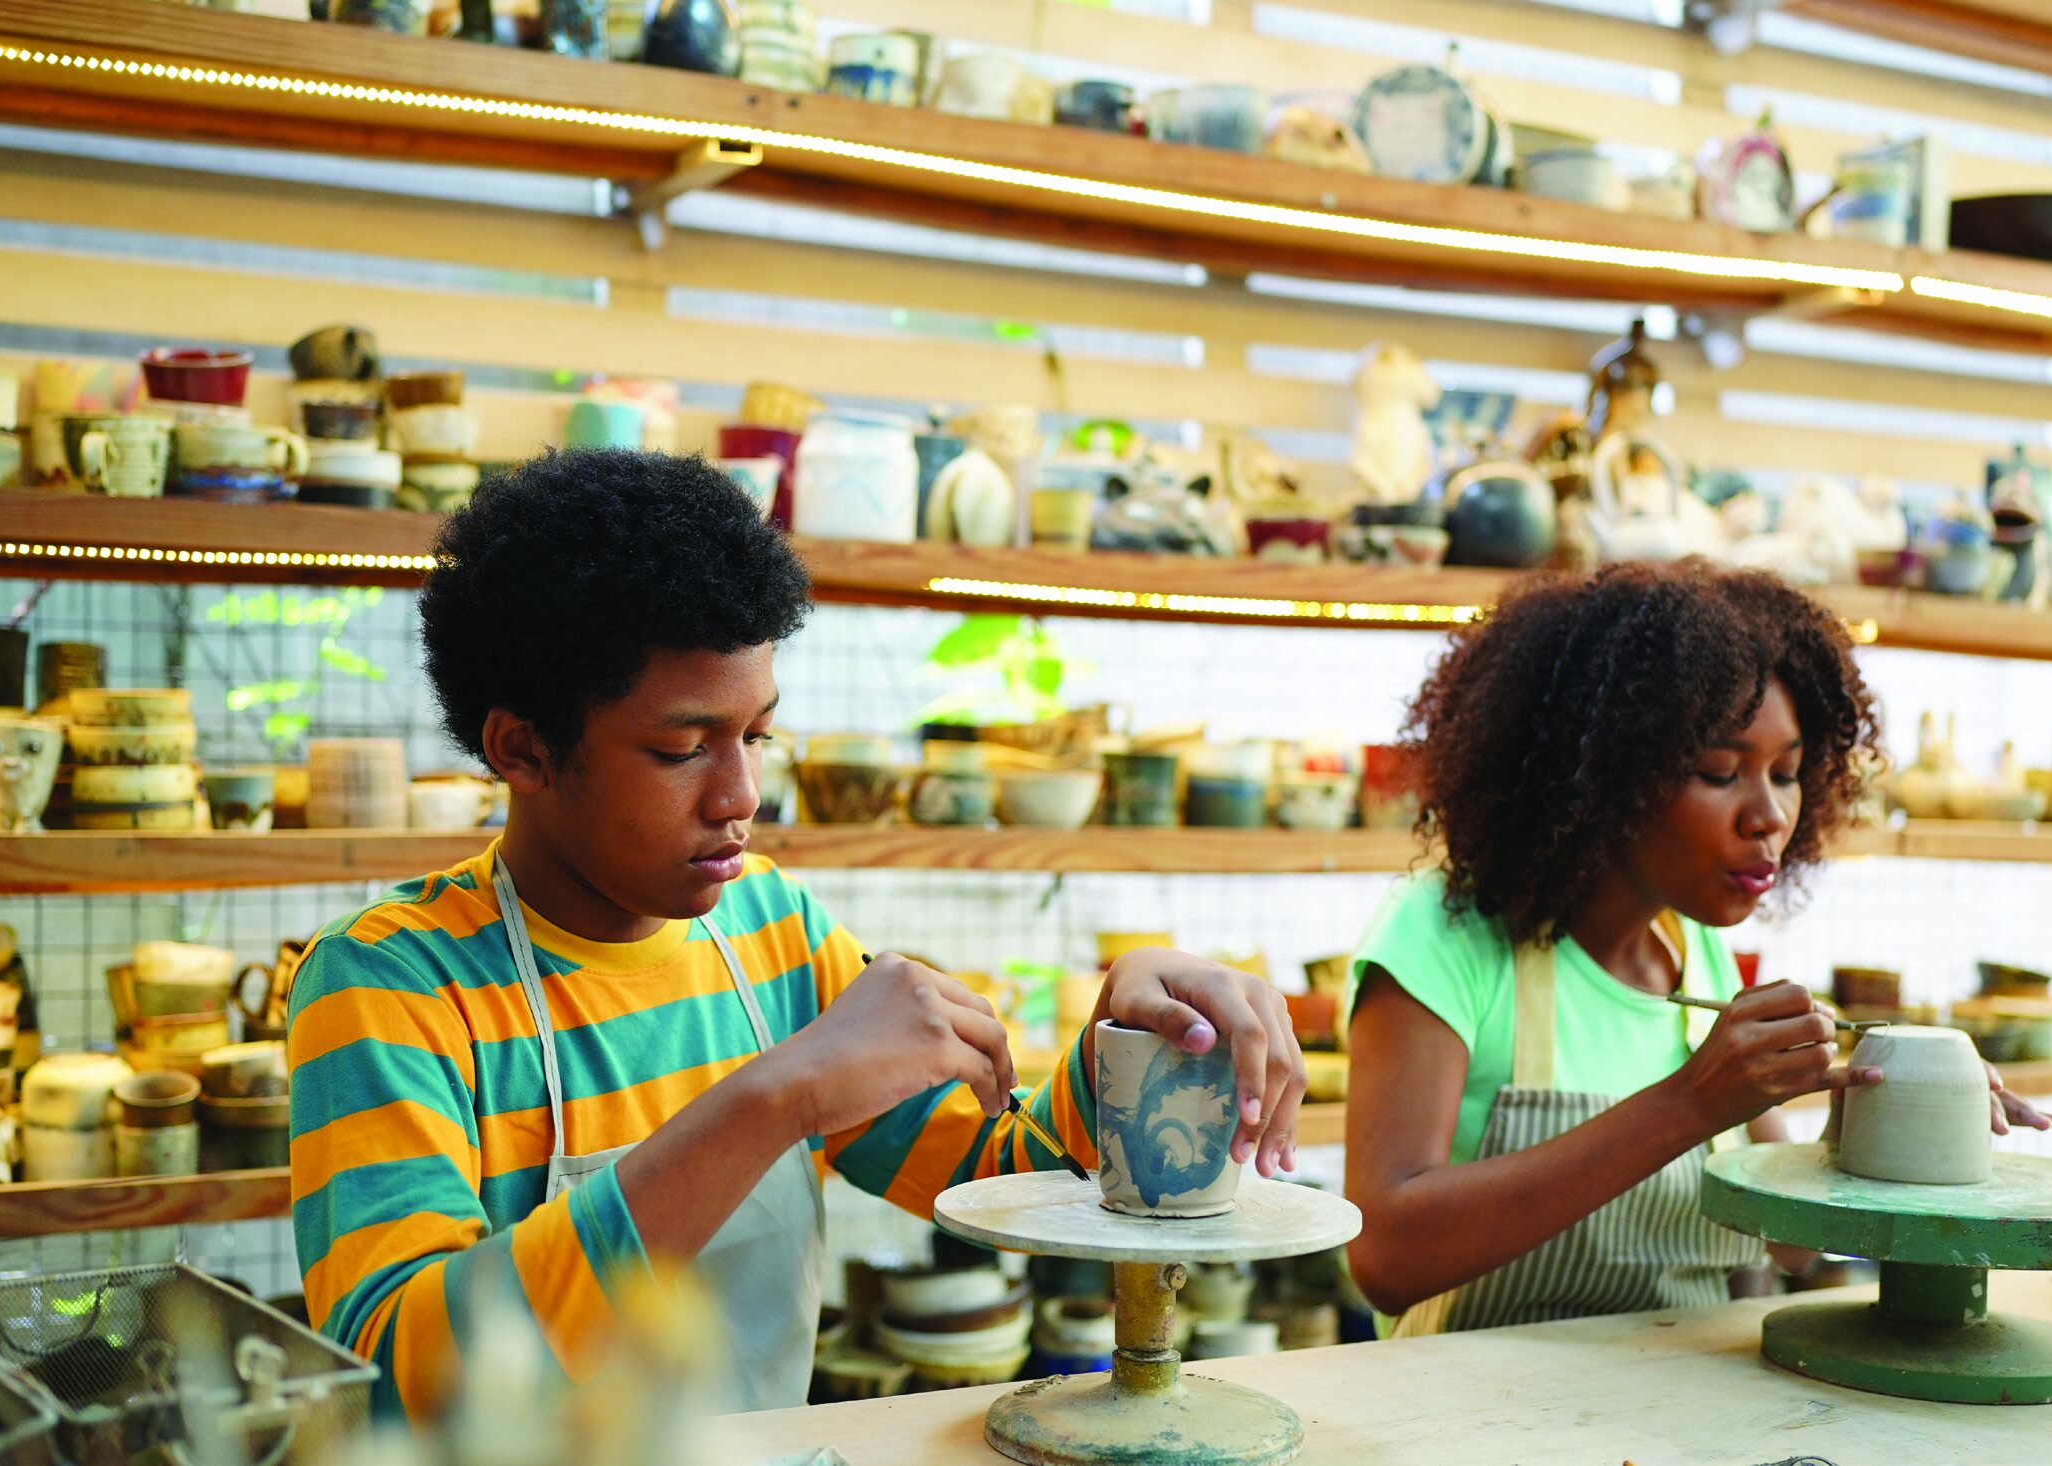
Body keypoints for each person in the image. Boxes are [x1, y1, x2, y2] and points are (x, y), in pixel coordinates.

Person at [288, 449, 1306, 1422]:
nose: (741, 795)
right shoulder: (389, 986)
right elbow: (397, 1381)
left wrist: (1129, 1034)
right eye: (682, 748)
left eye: (757, 734)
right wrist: (773, 1097)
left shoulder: (769, 931)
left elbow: (1006, 1175)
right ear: (523, 748)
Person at [1342, 561, 2052, 1335]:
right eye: (1720, 772)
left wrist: (1876, 1117)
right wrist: (1689, 1104)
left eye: (1786, 775)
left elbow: (1786, 1244)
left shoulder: (1696, 953)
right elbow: (1385, 1258)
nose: (1770, 816)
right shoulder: (1446, 936)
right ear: (1604, 774)